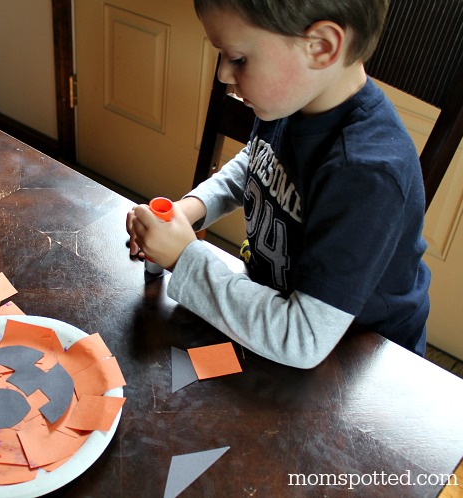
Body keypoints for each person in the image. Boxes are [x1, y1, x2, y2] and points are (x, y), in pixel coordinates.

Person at [126, 0, 430, 369]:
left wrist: (184, 257)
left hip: (351, 364)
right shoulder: (294, 99)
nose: (223, 73)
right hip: (275, 316)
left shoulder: (367, 174)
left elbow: (302, 337)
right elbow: (259, 163)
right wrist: (190, 211)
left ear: (320, 46)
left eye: (238, 59)